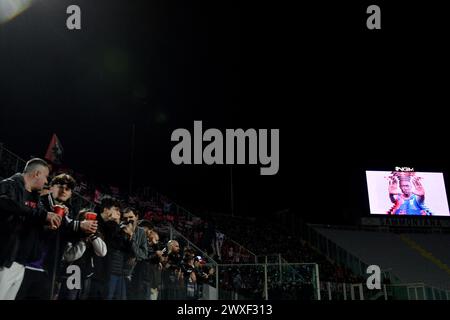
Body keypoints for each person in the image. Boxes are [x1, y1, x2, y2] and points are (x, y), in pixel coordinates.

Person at [16, 173, 98, 300]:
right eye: (60, 186)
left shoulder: (67, 213)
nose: (63, 190)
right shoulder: (39, 201)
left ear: (71, 193)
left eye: (68, 189)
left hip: (48, 269)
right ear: (52, 187)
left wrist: (85, 232)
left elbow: (68, 233)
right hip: (25, 264)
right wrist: (78, 225)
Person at [0, 158, 62, 299]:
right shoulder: (9, 185)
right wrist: (42, 215)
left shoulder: (35, 197)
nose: (47, 182)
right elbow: (5, 203)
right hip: (5, 260)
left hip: (21, 263)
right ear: (36, 174)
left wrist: (46, 225)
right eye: (46, 177)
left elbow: (33, 219)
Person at [58, 209, 107, 300]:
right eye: (86, 219)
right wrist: (83, 242)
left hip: (87, 273)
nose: (89, 222)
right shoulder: (73, 233)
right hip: (74, 271)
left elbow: (102, 252)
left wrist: (92, 236)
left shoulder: (95, 235)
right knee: (69, 297)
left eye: (92, 220)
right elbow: (68, 256)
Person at [122, 207, 149, 300]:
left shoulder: (141, 232)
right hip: (121, 272)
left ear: (136, 217)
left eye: (131, 217)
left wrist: (132, 236)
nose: (128, 220)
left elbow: (144, 254)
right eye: (125, 218)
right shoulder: (121, 229)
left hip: (135, 275)